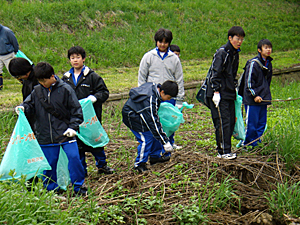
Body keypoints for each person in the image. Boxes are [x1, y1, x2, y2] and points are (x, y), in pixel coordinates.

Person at [15, 62, 87, 196]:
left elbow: (76, 111)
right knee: (49, 165)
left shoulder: (65, 89)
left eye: (44, 80)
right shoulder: (36, 91)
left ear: (52, 76)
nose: (42, 83)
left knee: (75, 159)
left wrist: (73, 127)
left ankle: (79, 188)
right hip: (45, 136)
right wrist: (23, 108)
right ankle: (52, 190)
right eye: (39, 80)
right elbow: (29, 105)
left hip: (66, 133)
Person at [62, 46, 115, 176]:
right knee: (77, 144)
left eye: (78, 57)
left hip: (91, 119)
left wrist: (94, 98)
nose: (75, 60)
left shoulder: (92, 77)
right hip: (74, 118)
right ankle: (82, 170)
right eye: (72, 58)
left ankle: (102, 165)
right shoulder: (65, 79)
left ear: (83, 59)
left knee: (95, 143)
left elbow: (104, 92)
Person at [138, 28, 185, 154]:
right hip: (154, 96)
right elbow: (142, 77)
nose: (162, 45)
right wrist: (143, 94)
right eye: (160, 42)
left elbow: (179, 78)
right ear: (156, 41)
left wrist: (179, 98)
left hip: (169, 96)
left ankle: (168, 147)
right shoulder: (148, 57)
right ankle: (155, 151)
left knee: (169, 123)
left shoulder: (174, 58)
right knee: (155, 124)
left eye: (165, 42)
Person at [206, 26, 245, 160]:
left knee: (231, 120)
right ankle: (222, 151)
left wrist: (234, 88)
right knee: (223, 122)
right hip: (219, 93)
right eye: (237, 39)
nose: (239, 41)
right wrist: (216, 91)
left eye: (241, 39)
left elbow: (232, 75)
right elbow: (215, 73)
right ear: (230, 38)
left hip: (229, 93)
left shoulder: (235, 53)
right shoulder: (222, 52)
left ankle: (227, 149)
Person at [122, 80, 178, 173]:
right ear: (162, 92)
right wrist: (165, 142)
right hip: (132, 115)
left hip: (140, 112)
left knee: (154, 134)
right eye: (168, 97)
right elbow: (153, 123)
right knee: (146, 139)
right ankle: (139, 165)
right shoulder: (150, 100)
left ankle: (155, 157)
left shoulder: (155, 87)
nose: (168, 100)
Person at [242, 39, 273, 149]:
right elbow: (248, 82)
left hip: (263, 99)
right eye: (266, 47)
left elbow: (267, 82)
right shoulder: (253, 63)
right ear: (259, 50)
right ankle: (247, 144)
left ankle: (256, 143)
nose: (268, 50)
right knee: (252, 124)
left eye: (270, 47)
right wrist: (255, 96)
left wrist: (264, 97)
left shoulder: (269, 63)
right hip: (252, 100)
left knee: (261, 124)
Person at [9, 58, 38, 129]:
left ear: (25, 73)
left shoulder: (38, 79)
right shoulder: (27, 80)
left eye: (18, 76)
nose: (18, 78)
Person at [0, 24, 19, 90]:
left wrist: (16, 50)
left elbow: (14, 41)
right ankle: (0, 87)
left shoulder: (7, 31)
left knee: (13, 71)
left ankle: (24, 82)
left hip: (8, 55)